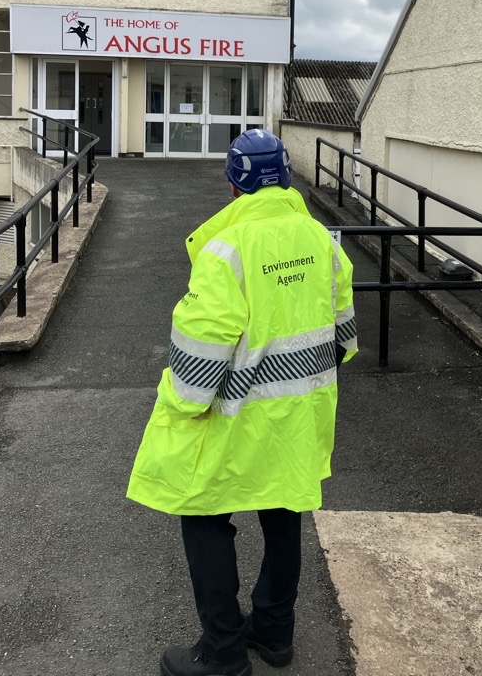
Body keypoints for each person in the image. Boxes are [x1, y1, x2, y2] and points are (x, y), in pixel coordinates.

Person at [127, 129, 357, 676]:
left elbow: (201, 348)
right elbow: (343, 336)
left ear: (234, 185)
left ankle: (224, 652)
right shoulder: (322, 239)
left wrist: (184, 408)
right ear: (287, 176)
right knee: (283, 511)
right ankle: (275, 634)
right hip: (302, 415)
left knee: (203, 514)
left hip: (234, 415)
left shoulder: (225, 249)